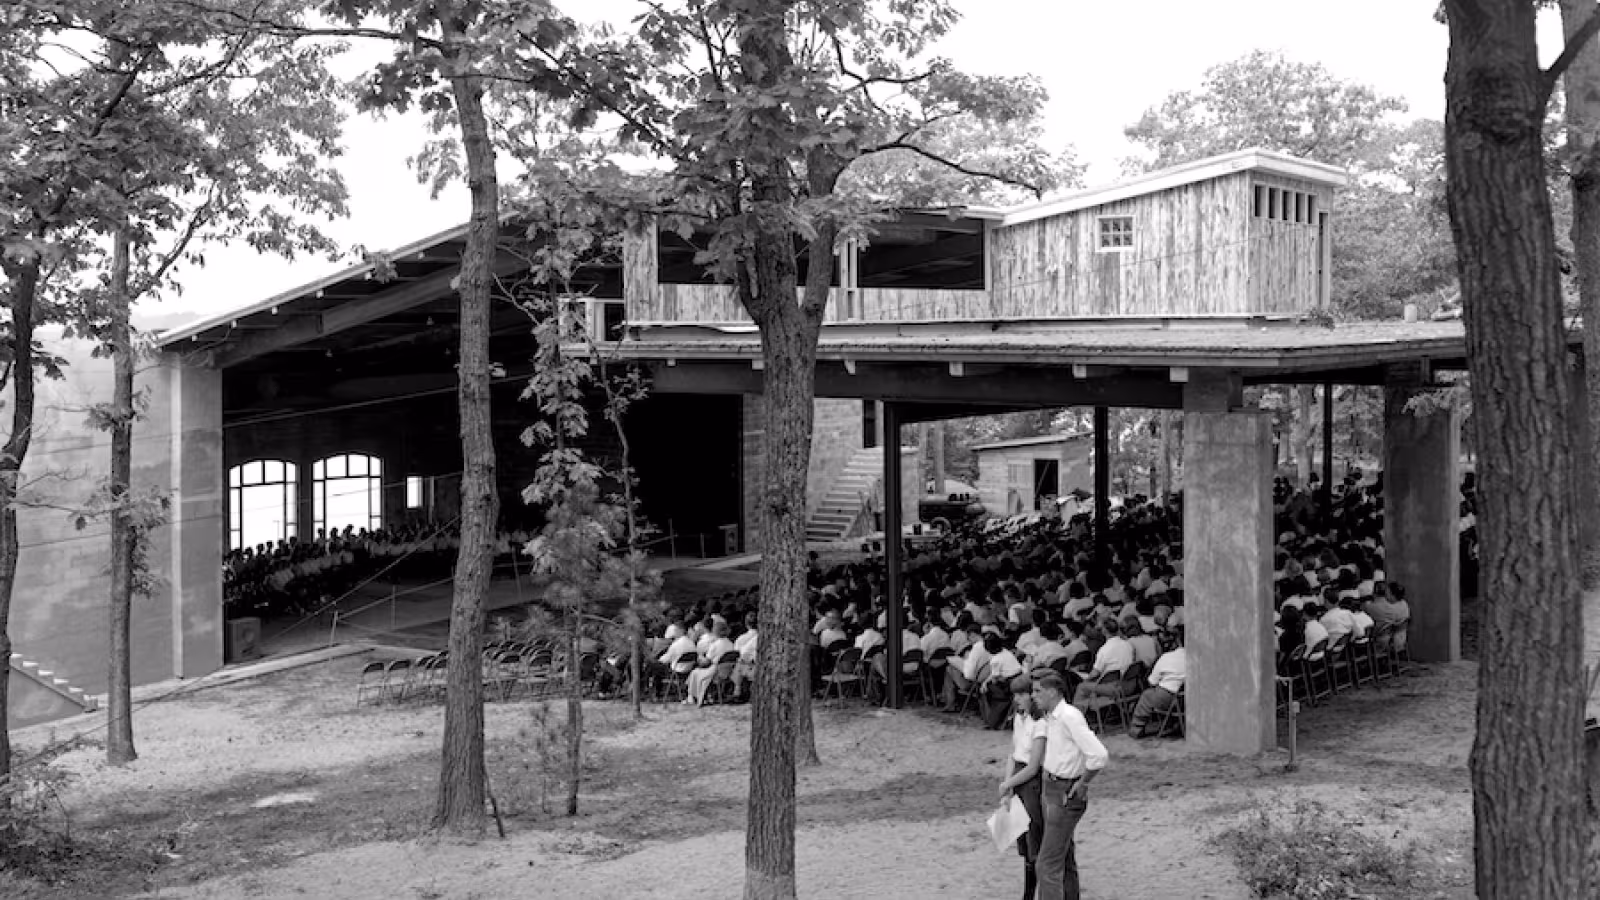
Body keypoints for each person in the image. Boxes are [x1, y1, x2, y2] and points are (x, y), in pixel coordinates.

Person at [1031, 672, 1108, 900]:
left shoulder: (1069, 717)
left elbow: (1099, 755)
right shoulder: (1053, 716)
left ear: (1053, 691)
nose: (1034, 696)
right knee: (1062, 855)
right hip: (1052, 787)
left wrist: (1084, 783)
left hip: (1064, 790)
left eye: (1038, 691)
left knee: (1046, 865)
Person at [999, 677, 1047, 900]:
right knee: (1022, 836)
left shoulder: (1040, 723)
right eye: (1015, 695)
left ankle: (1031, 893)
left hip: (1030, 779)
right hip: (1018, 775)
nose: (1016, 699)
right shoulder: (1020, 718)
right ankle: (1028, 891)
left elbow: (1033, 765)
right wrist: (1007, 783)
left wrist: (1009, 783)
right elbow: (1013, 751)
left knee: (1033, 836)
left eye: (1021, 695)